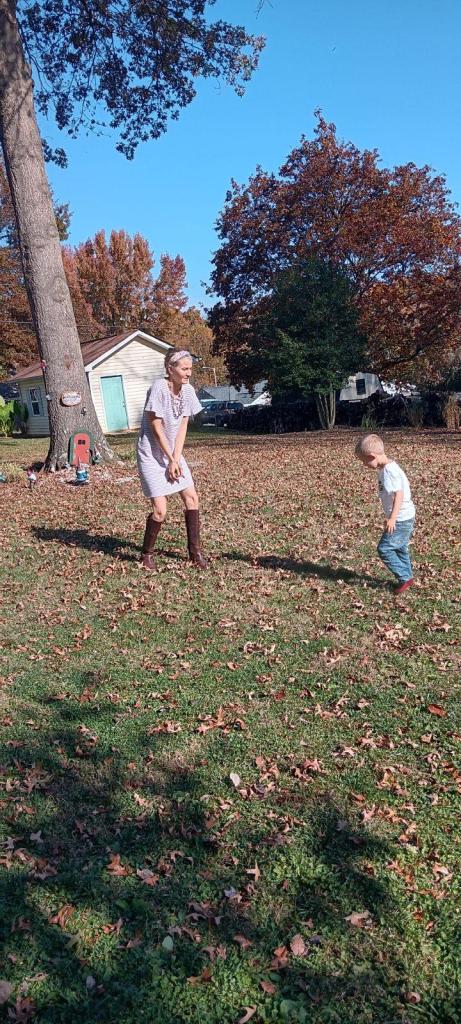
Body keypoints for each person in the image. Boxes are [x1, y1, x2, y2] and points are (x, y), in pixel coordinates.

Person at [137, 348, 207, 569]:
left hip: (173, 454)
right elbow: (156, 427)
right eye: (184, 369)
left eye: (190, 369)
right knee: (160, 510)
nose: (188, 373)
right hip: (151, 453)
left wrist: (175, 459)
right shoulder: (158, 387)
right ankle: (146, 554)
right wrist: (170, 460)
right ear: (170, 369)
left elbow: (183, 426)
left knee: (192, 498)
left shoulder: (188, 391)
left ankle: (195, 553)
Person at [355, 434, 415, 594]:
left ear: (371, 456)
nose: (364, 465)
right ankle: (407, 576)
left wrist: (393, 518)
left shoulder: (388, 471)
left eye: (364, 461)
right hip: (405, 515)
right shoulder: (389, 467)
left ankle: (404, 577)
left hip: (401, 518)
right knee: (400, 547)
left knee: (385, 549)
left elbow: (399, 494)